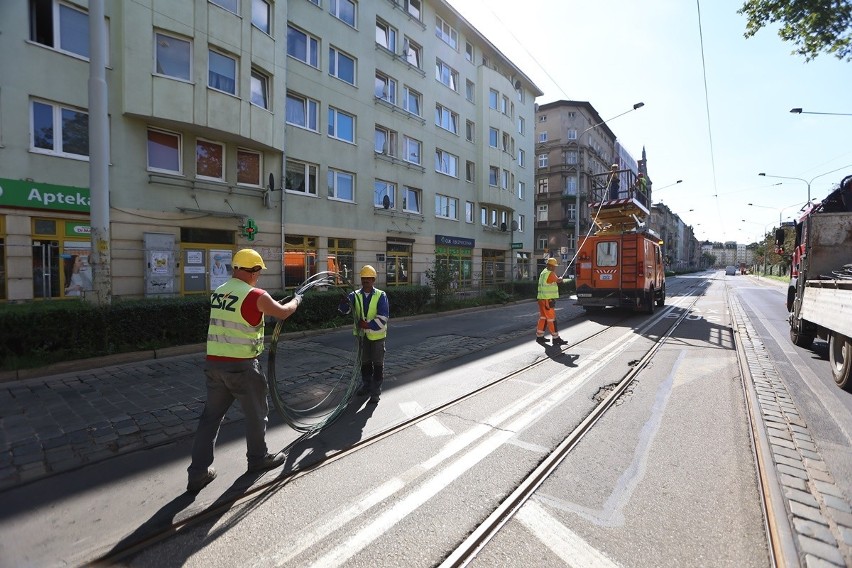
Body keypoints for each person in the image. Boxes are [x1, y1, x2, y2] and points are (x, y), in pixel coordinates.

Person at [186, 248, 303, 492]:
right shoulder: (256, 294)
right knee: (256, 414)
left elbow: (247, 313)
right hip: (242, 367)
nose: (258, 277)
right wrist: (296, 301)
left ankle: (197, 473)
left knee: (210, 419)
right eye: (258, 272)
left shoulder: (219, 293)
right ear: (253, 271)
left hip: (215, 365)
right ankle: (258, 459)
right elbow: (282, 313)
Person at [339, 265, 389, 404]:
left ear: (373, 280)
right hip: (362, 336)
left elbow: (384, 317)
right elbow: (344, 311)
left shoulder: (381, 295)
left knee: (378, 364)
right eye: (363, 278)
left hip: (377, 337)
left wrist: (368, 324)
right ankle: (366, 385)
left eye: (368, 278)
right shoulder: (354, 295)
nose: (366, 280)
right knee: (365, 363)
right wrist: (343, 303)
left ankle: (375, 392)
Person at [536, 257, 567, 346]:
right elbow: (558, 281)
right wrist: (560, 279)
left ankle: (539, 336)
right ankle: (556, 338)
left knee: (543, 318)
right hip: (547, 300)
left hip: (541, 299)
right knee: (551, 319)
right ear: (550, 266)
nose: (554, 268)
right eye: (554, 266)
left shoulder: (543, 272)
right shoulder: (550, 273)